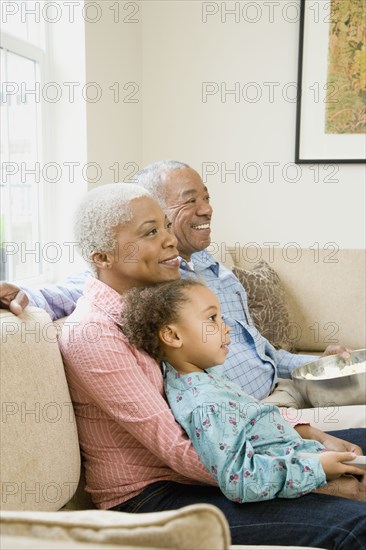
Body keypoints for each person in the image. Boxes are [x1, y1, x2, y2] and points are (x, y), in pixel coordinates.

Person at [2, 182, 366, 549]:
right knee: (356, 522)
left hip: (226, 458)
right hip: (154, 497)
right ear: (102, 257)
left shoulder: (154, 306)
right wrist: (306, 471)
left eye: (164, 225)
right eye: (151, 232)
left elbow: (231, 406)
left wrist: (308, 434)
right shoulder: (94, 336)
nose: (170, 238)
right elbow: (178, 450)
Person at [0, 160, 365, 430]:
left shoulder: (212, 267)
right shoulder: (150, 280)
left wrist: (309, 364)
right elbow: (81, 288)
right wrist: (21, 294)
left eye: (206, 197)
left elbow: (260, 350)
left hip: (285, 391)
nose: (206, 209)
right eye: (190, 201)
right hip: (245, 416)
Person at [121, 278, 365, 503]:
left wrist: (320, 439)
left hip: (304, 458)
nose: (226, 328)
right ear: (173, 335)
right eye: (212, 319)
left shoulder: (208, 376)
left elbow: (260, 421)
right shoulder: (206, 404)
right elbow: (240, 480)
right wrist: (318, 470)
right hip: (303, 477)